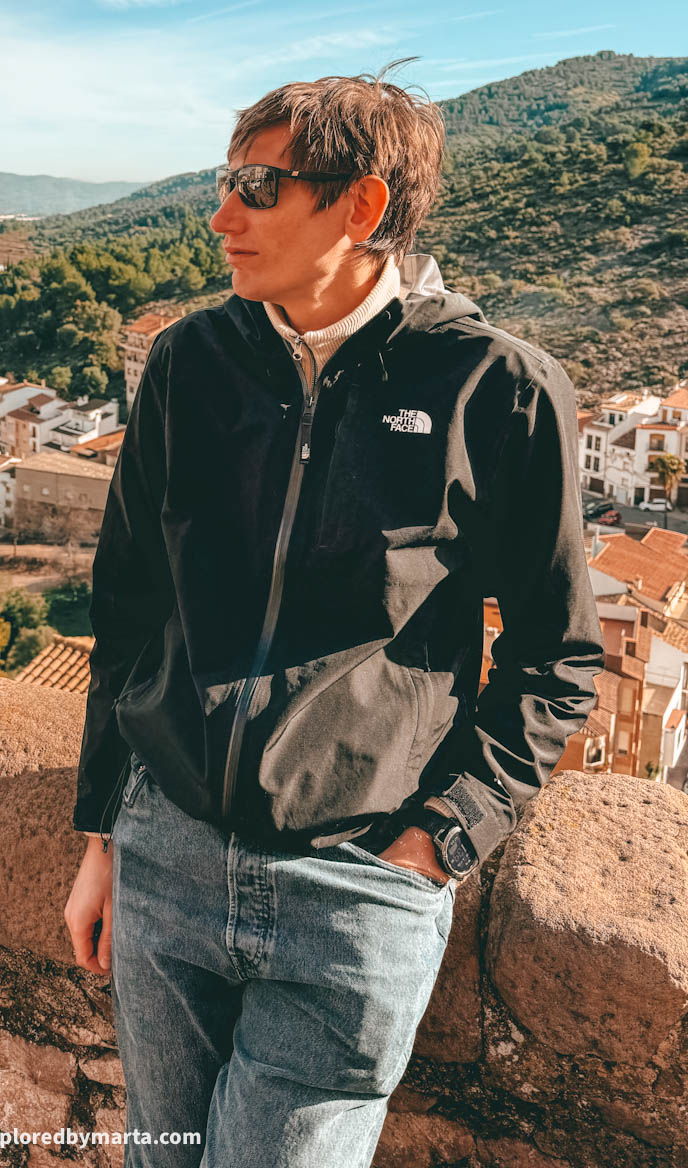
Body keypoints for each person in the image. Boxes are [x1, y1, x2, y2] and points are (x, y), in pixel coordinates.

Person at [63, 68, 605, 1168]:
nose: (222, 216)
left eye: (258, 187)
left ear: (361, 207)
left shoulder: (497, 388)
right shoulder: (189, 362)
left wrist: (438, 841)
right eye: (226, 182)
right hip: (166, 856)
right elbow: (127, 605)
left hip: (355, 888)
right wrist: (101, 833)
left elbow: (558, 658)